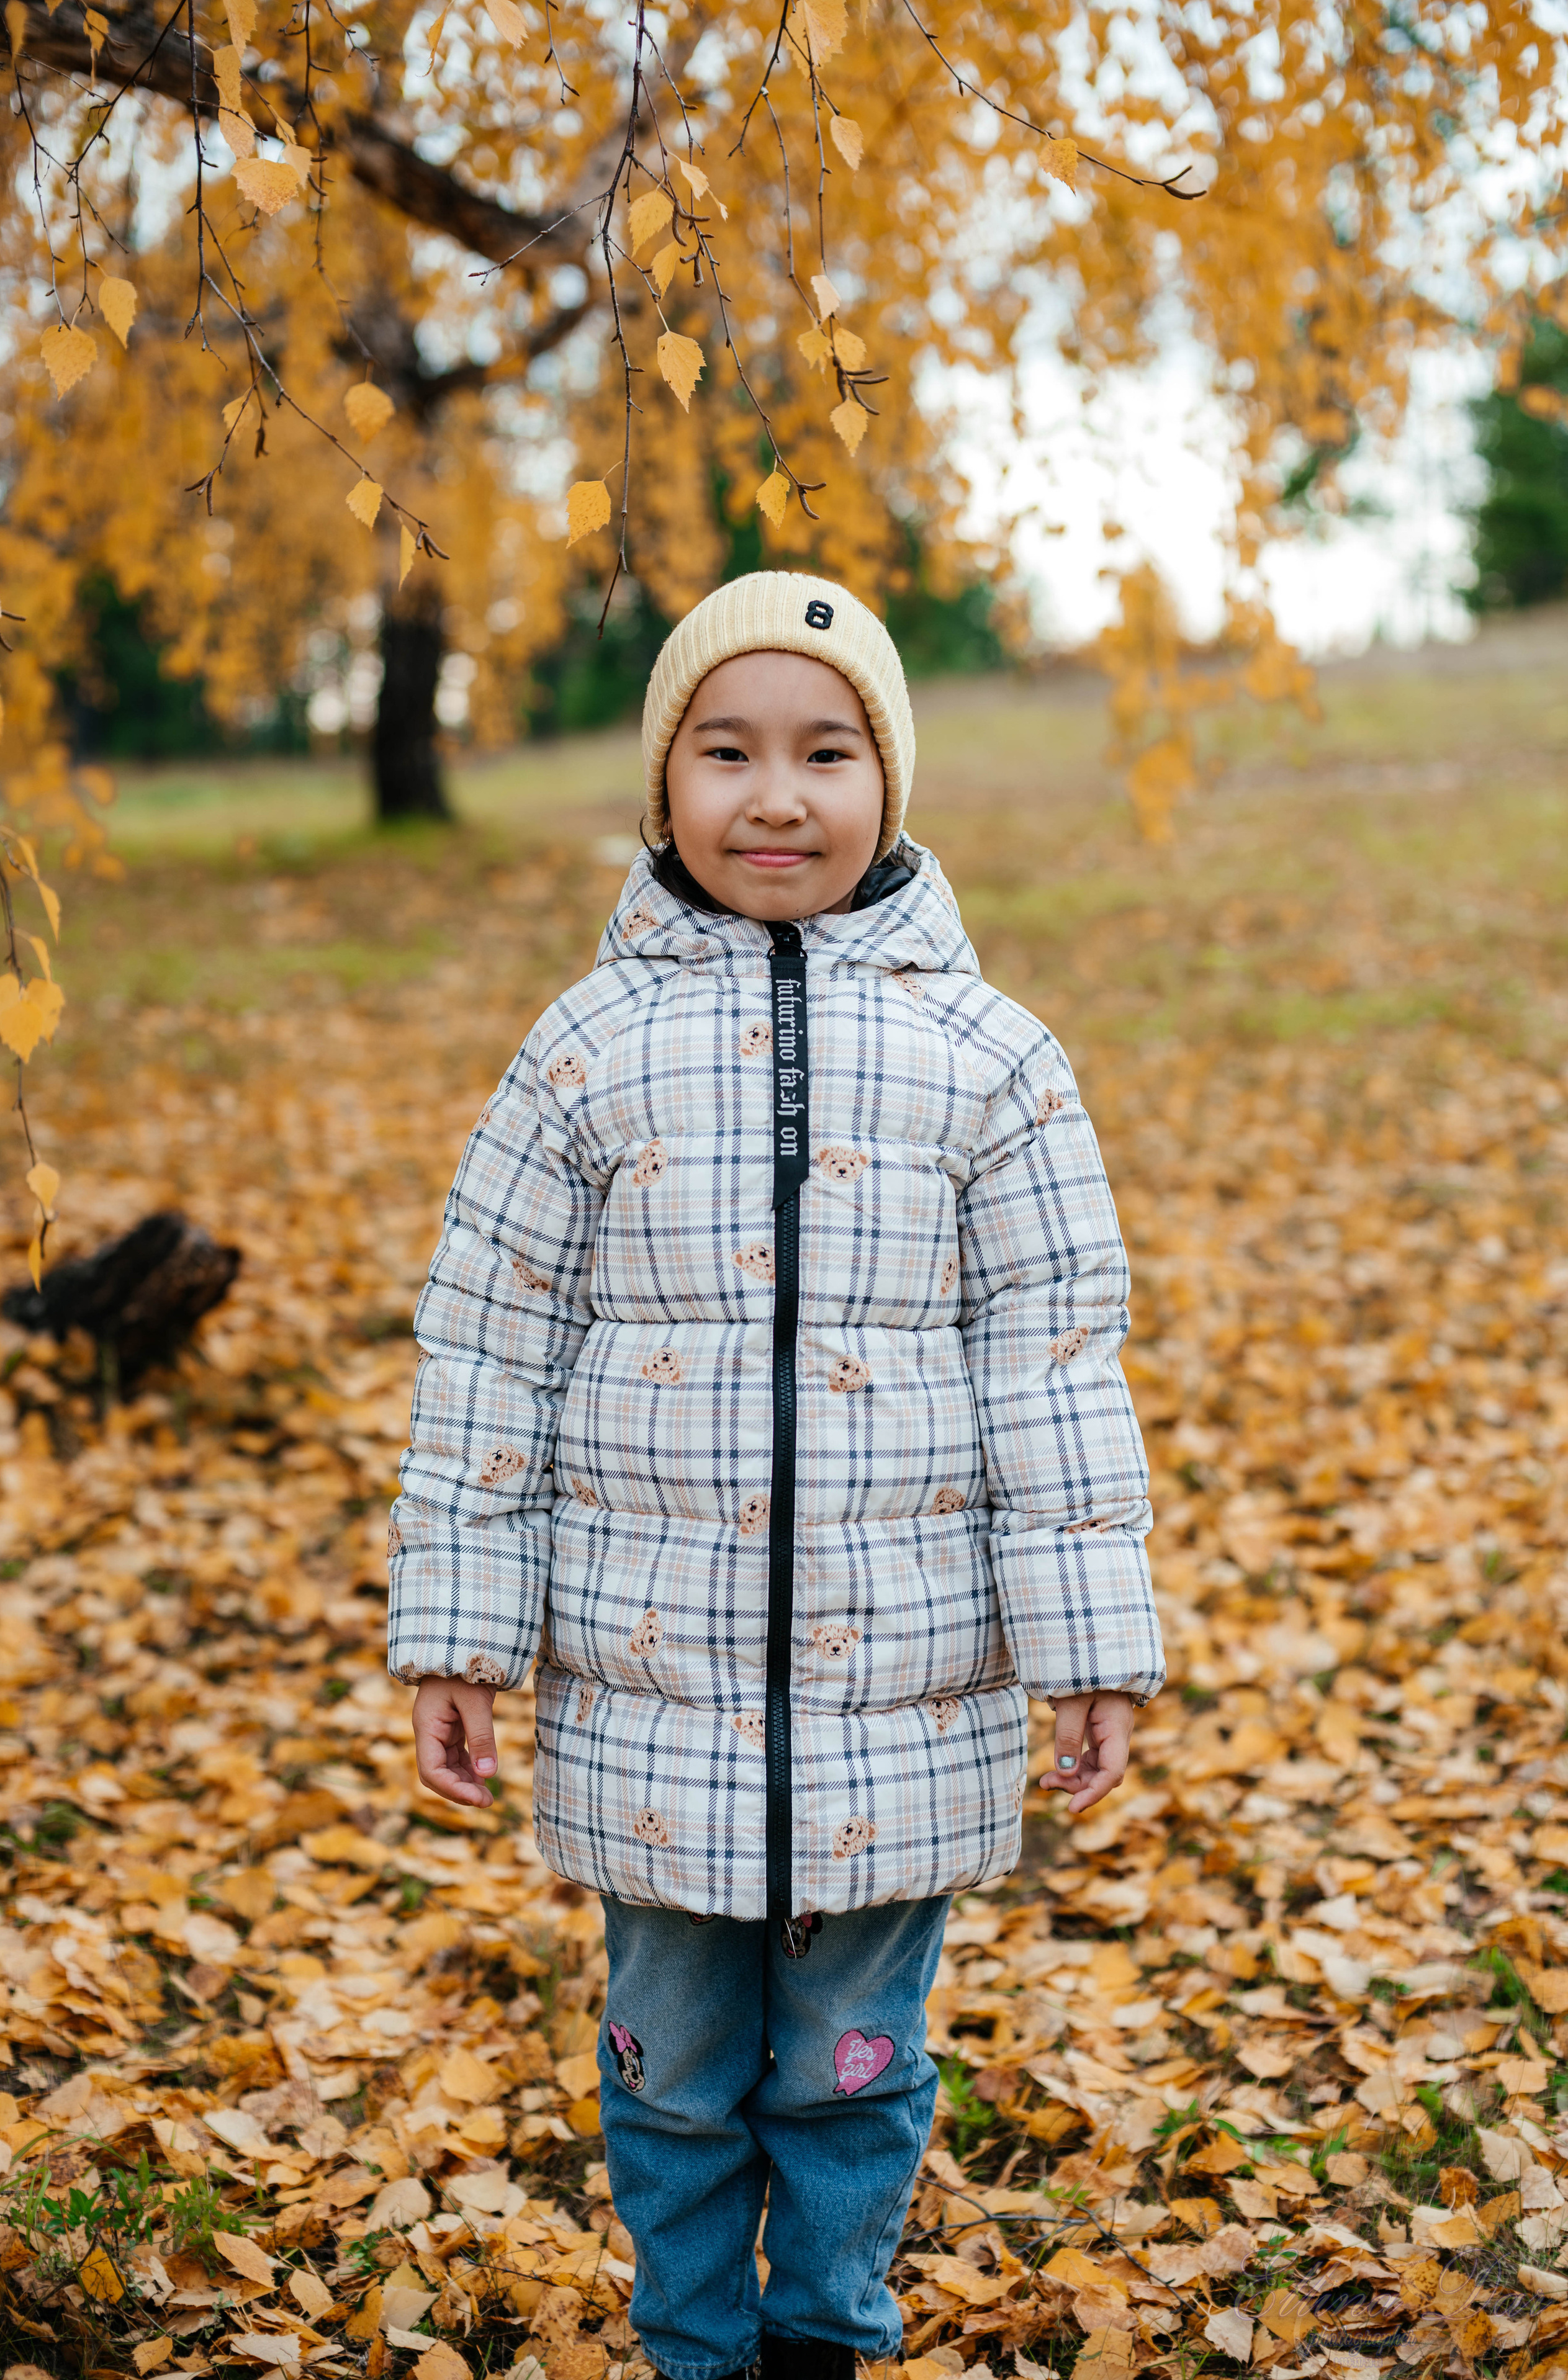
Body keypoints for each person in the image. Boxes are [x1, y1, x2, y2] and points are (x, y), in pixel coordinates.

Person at [388, 572, 1164, 2380]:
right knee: (674, 2072)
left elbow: (1056, 1372)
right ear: (665, 785)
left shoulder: (998, 1064)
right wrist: (456, 1637)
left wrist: (1093, 1646)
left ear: (892, 779)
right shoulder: (583, 1052)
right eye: (724, 751)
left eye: (828, 750)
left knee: (850, 2067)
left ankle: (827, 2330)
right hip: (654, 1700)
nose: (777, 795)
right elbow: (485, 1350)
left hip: (903, 1694)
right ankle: (693, 2345)